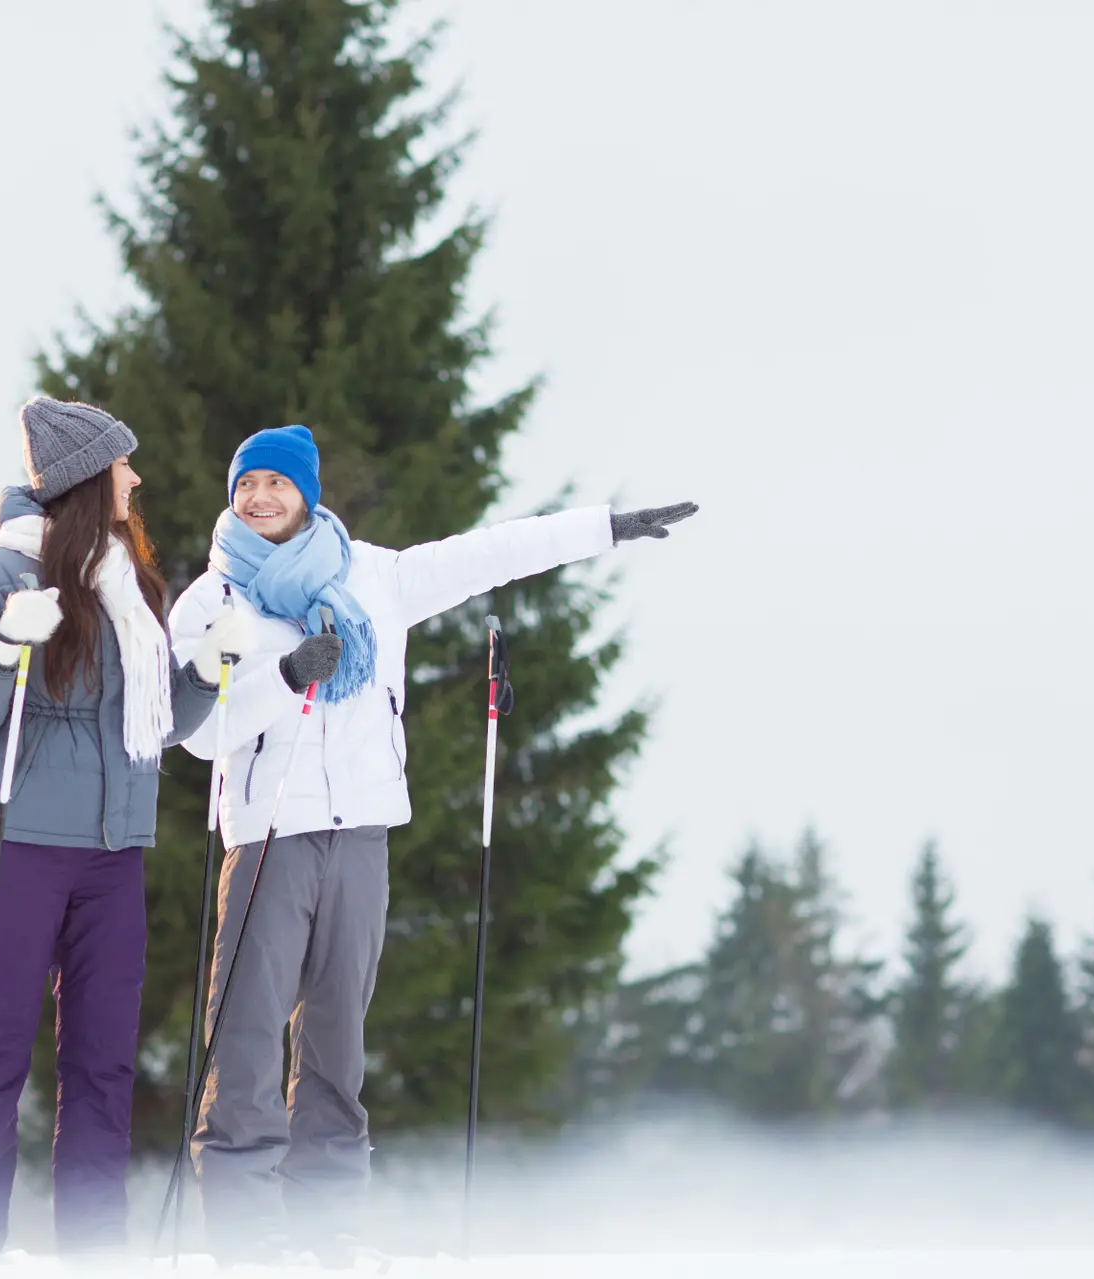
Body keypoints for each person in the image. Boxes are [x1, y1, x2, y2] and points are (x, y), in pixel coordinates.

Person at [167, 424, 697, 1264]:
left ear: (308, 492)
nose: (260, 497)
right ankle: (242, 1230)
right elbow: (195, 733)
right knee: (247, 1028)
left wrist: (604, 527)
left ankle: (327, 1222)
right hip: (269, 837)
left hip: (362, 839)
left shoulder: (377, 574)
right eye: (247, 485)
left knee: (338, 1033)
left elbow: (492, 552)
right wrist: (285, 676)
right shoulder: (212, 601)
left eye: (276, 482)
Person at [0, 397, 337, 1264]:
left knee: (104, 1065)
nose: (135, 479)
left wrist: (211, 668)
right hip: (18, 845)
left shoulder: (128, 579)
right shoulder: (1, 577)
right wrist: (3, 648)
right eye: (122, 466)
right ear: (85, 477)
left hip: (114, 856)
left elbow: (154, 724)